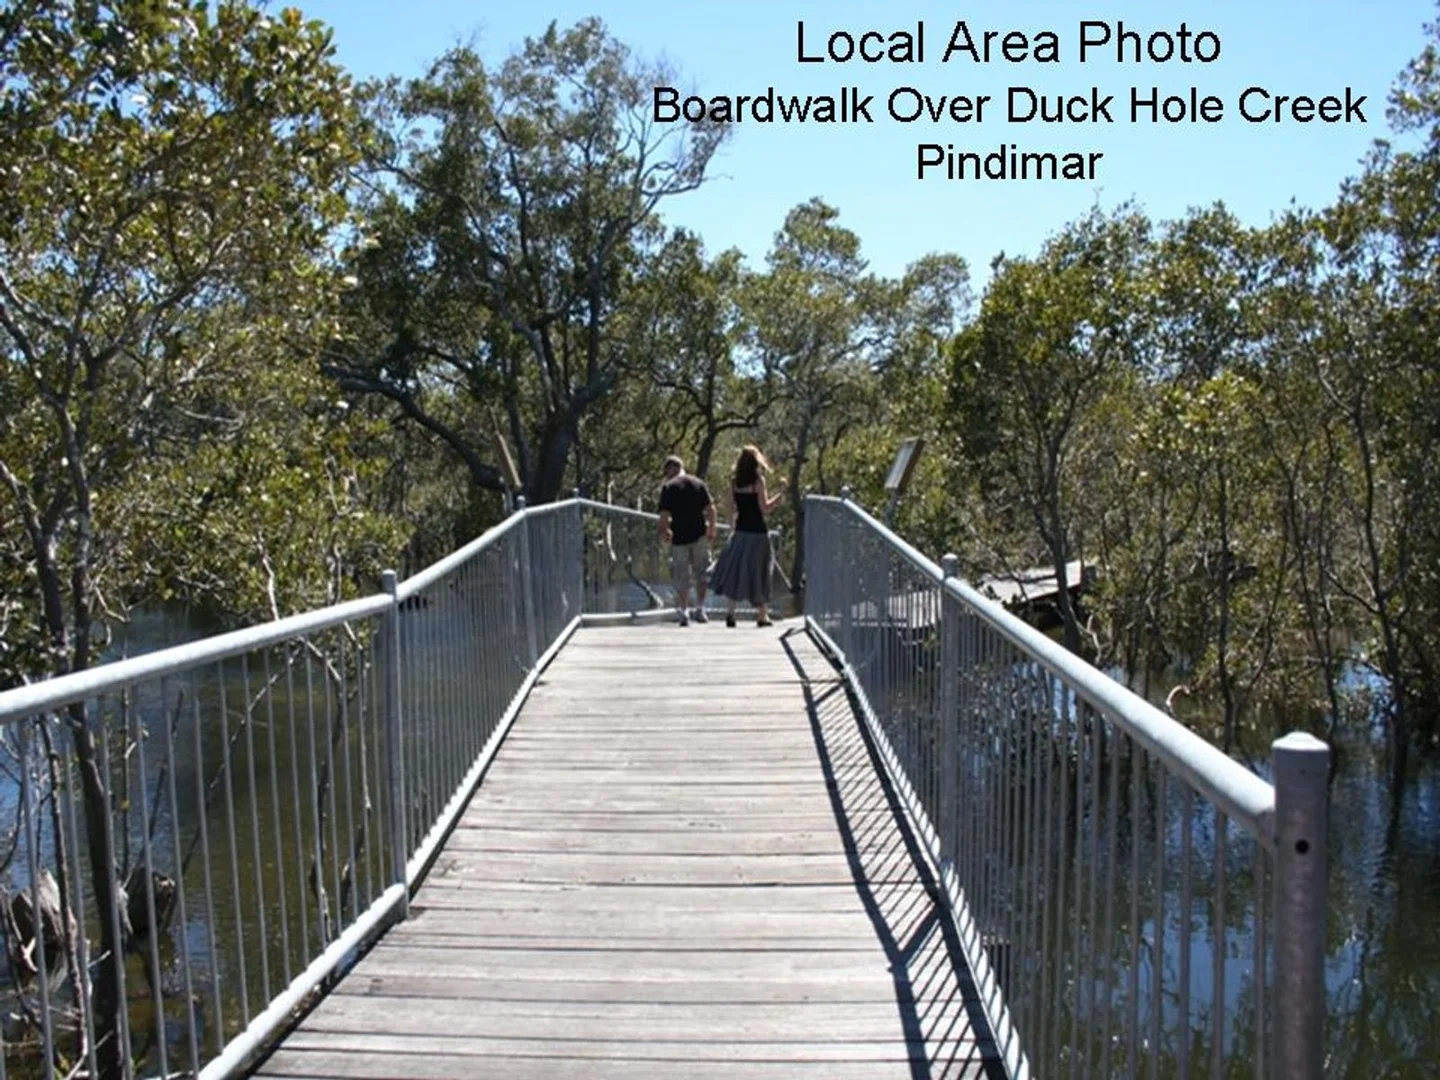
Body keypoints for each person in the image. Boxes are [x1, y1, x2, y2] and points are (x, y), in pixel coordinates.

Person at [708, 445, 787, 628]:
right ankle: (762, 616)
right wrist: (780, 495)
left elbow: (730, 508)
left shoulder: (735, 482)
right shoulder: (758, 481)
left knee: (736, 570)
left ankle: (730, 613)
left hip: (741, 532)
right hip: (758, 533)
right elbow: (764, 509)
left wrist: (731, 527)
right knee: (760, 572)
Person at [657, 454, 716, 626]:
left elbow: (664, 515)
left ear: (671, 468)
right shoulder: (698, 483)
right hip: (699, 534)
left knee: (681, 574)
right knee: (702, 573)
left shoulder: (668, 487)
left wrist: (664, 530)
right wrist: (712, 528)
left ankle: (684, 611)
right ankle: (701, 608)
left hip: (679, 537)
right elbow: (711, 508)